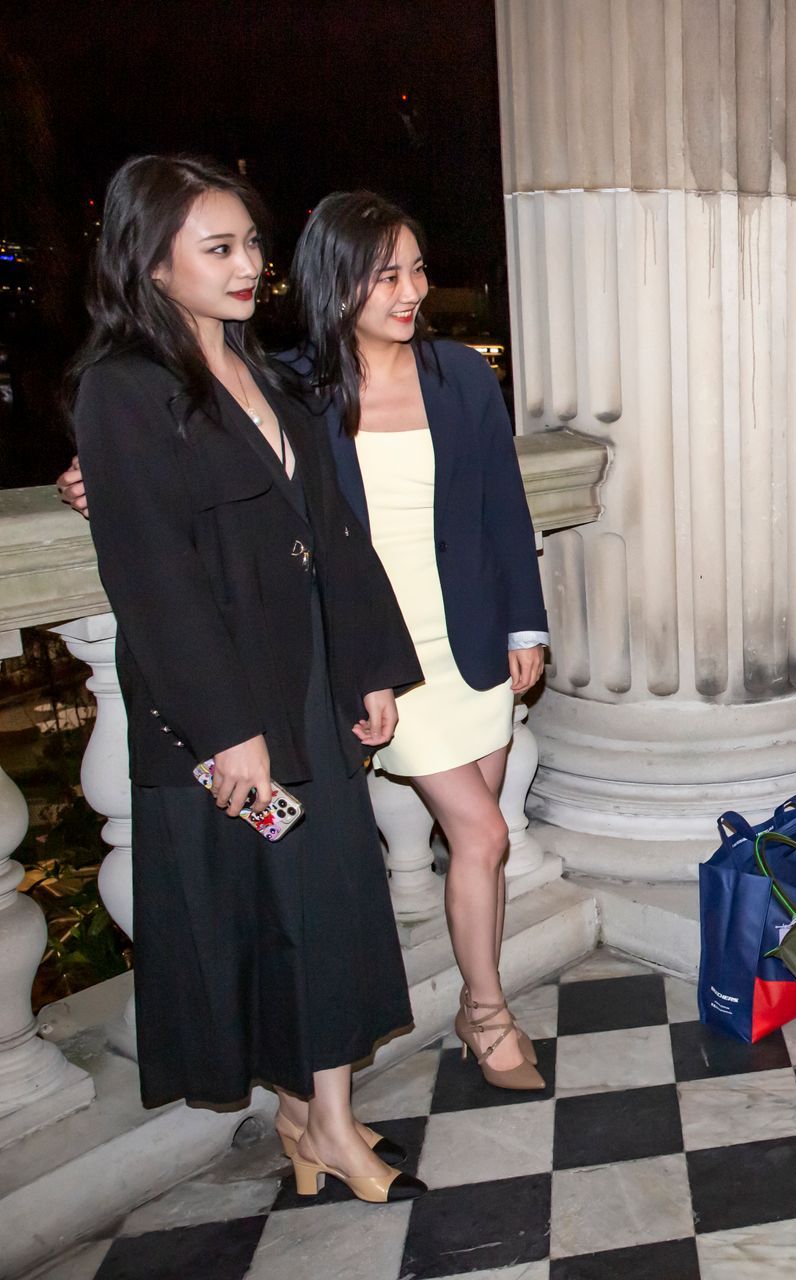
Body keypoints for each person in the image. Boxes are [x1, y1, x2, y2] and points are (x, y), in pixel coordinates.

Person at [62, 192, 552, 1091]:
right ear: (337, 282)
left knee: (476, 839)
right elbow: (189, 442)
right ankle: (487, 1013)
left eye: (418, 270)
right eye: (386, 273)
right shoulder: (292, 383)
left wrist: (526, 620)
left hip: (471, 640)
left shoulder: (462, 376)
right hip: (372, 653)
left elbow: (501, 508)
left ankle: (463, 1007)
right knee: (481, 833)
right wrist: (91, 474)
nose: (411, 290)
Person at [69, 156, 426, 1203]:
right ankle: (323, 1122)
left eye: (251, 246)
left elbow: (334, 528)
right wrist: (228, 731)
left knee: (329, 903)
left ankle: (319, 1115)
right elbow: (152, 578)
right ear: (152, 259)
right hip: (228, 704)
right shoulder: (123, 390)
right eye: (218, 247)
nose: (248, 266)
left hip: (307, 678)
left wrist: (365, 663)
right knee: (277, 916)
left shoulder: (268, 371)